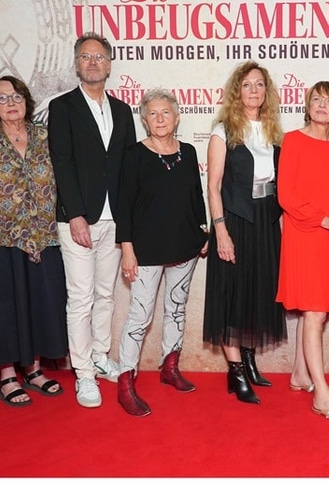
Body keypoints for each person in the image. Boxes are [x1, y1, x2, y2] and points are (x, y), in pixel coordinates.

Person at [0, 75, 67, 407]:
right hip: (0, 239)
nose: (10, 103)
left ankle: (34, 370)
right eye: (2, 98)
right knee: (6, 307)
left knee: (39, 304)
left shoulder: (47, 137)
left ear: (26, 101)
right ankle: (7, 376)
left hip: (44, 237)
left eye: (16, 96)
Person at [48, 32, 137, 408]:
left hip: (114, 218)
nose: (93, 63)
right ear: (77, 64)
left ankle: (100, 356)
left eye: (99, 57)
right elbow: (62, 165)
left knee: (106, 294)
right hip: (78, 220)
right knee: (81, 298)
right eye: (86, 57)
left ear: (110, 64)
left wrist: (129, 218)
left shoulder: (122, 110)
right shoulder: (62, 107)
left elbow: (129, 167)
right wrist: (77, 215)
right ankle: (84, 374)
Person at [115, 89, 209, 417]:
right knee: (140, 317)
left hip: (185, 245)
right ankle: (125, 381)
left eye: (165, 113)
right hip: (146, 250)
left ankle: (170, 368)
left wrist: (202, 230)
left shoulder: (189, 151)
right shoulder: (134, 155)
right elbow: (123, 206)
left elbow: (196, 196)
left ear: (177, 116)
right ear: (144, 119)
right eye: (152, 114)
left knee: (177, 309)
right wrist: (127, 249)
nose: (159, 119)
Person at [276, 81, 329, 424]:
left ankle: (300, 374)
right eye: (316, 99)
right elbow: (286, 196)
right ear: (307, 105)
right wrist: (323, 219)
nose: (322, 105)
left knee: (319, 311)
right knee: (313, 312)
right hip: (304, 233)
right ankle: (322, 397)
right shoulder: (293, 141)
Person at [203, 61, 286, 404]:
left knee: (258, 291)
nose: (254, 90)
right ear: (237, 91)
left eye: (260, 85)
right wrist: (220, 231)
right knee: (232, 294)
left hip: (266, 220)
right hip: (234, 219)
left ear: (267, 92)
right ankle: (235, 372)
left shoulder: (272, 131)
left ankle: (249, 360)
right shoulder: (224, 130)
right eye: (247, 85)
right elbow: (213, 185)